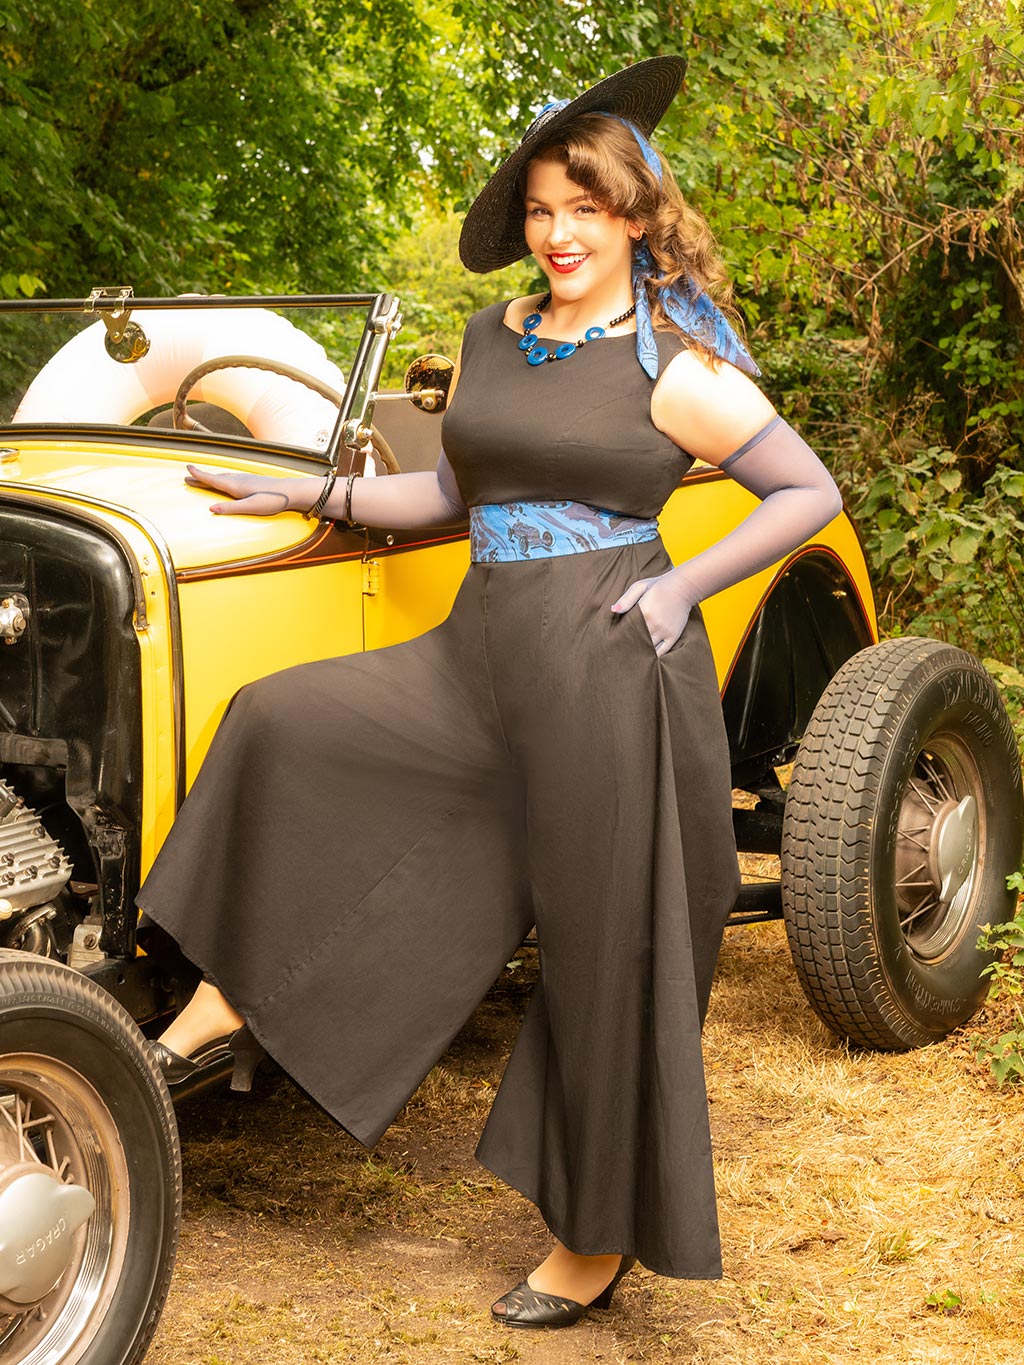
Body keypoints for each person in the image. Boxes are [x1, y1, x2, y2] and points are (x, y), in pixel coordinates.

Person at [139, 56, 841, 1329]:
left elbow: (806, 493)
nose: (557, 233)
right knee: (283, 722)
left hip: (605, 667)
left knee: (597, 950)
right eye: (538, 210)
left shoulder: (673, 364)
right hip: (477, 653)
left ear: (635, 217)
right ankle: (225, 996)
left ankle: (592, 1234)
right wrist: (309, 490)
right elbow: (454, 499)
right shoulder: (490, 339)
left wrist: (684, 592)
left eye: (583, 208)